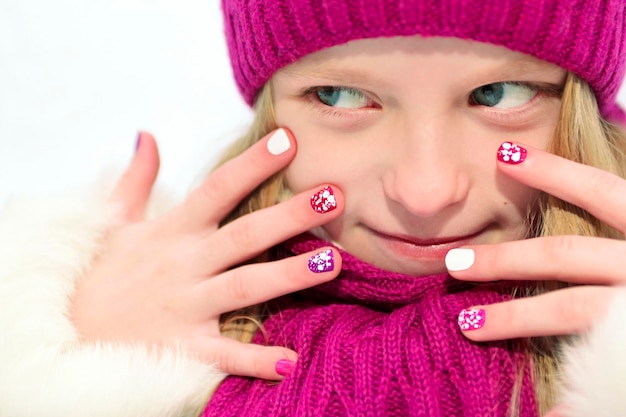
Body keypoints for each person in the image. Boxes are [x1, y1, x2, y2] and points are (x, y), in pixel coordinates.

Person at [1, 0, 626, 416]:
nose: (425, 192)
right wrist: (69, 358)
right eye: (342, 94)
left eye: (497, 93)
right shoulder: (146, 315)